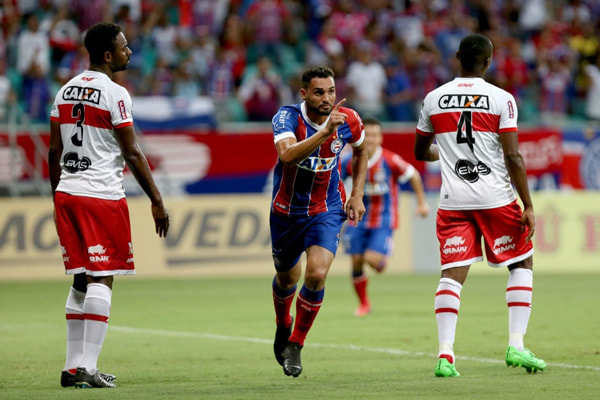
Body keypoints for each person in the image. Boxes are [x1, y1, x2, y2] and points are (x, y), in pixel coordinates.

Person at [414, 34, 546, 378]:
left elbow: (420, 152)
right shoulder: (503, 99)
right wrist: (527, 204)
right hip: (495, 199)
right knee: (522, 262)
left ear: (456, 57)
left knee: (452, 274)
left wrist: (443, 153)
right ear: (489, 62)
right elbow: (513, 156)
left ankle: (445, 355)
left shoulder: (433, 99)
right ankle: (516, 344)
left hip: (453, 201)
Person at [48, 22, 169, 389]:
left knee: (82, 278)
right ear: (107, 55)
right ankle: (87, 366)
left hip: (67, 193)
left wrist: (58, 194)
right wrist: (157, 200)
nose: (128, 52)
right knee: (103, 277)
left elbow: (55, 151)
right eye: (123, 47)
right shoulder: (115, 94)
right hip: (100, 194)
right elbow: (131, 152)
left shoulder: (64, 91)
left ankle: (72, 368)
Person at [270, 66, 368, 378]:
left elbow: (363, 149)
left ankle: (296, 343)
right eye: (319, 92)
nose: (327, 99)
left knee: (316, 273)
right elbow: (287, 157)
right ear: (304, 94)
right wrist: (325, 132)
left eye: (331, 91)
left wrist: (357, 194)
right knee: (287, 278)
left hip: (327, 208)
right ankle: (283, 323)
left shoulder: (348, 119)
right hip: (286, 212)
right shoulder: (286, 118)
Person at [342, 118, 429, 316]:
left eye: (374, 135)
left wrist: (422, 203)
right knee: (356, 261)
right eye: (367, 135)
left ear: (380, 138)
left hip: (383, 218)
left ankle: (380, 260)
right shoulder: (349, 160)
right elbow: (334, 180)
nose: (370, 139)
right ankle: (364, 304)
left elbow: (414, 175)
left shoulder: (390, 160)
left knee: (371, 260)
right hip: (357, 218)